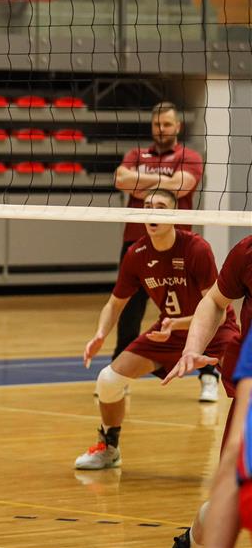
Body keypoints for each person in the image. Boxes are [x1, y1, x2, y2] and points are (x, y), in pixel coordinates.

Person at [76, 189, 237, 471]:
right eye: (148, 206)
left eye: (161, 207)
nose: (152, 211)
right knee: (108, 380)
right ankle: (109, 448)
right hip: (168, 333)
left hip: (215, 331)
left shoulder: (196, 249)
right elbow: (114, 304)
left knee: (245, 385)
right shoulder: (136, 254)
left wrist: (178, 323)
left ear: (174, 214)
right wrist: (100, 334)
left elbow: (217, 310)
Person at [112, 101, 210, 400]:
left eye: (167, 124)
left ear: (178, 126)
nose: (161, 129)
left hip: (178, 246)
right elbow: (121, 180)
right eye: (157, 124)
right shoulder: (136, 154)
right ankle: (119, 371)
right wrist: (164, 182)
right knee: (129, 309)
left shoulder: (189, 156)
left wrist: (142, 183)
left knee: (197, 310)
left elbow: (181, 187)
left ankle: (209, 374)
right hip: (137, 243)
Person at [163, 235, 252, 547]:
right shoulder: (247, 252)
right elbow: (214, 301)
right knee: (231, 497)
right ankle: (193, 538)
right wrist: (192, 348)